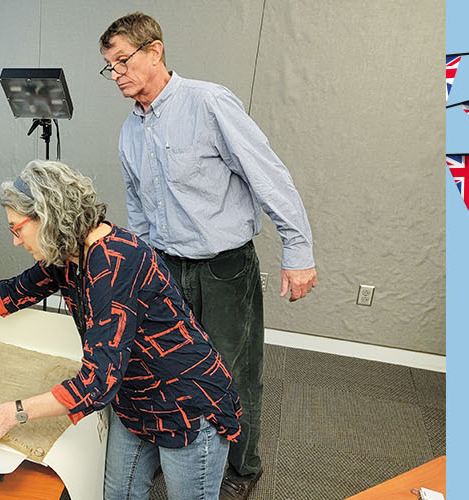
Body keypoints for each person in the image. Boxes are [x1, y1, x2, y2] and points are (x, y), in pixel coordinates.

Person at [98, 12, 319, 500]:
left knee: (231, 373)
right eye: (109, 68)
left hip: (223, 268)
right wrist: (136, 269)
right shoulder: (129, 132)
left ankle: (240, 470)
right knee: (161, 368)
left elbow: (269, 176)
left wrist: (297, 249)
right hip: (163, 268)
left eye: (122, 61)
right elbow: (138, 208)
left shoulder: (208, 102)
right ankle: (168, 452)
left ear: (154, 50)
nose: (116, 75)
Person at [0, 160, 242, 500]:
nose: (16, 241)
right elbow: (16, 291)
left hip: (186, 403)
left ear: (46, 217)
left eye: (16, 229)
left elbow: (97, 382)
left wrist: (12, 413)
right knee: (118, 495)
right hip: (134, 399)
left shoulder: (113, 263)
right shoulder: (67, 255)